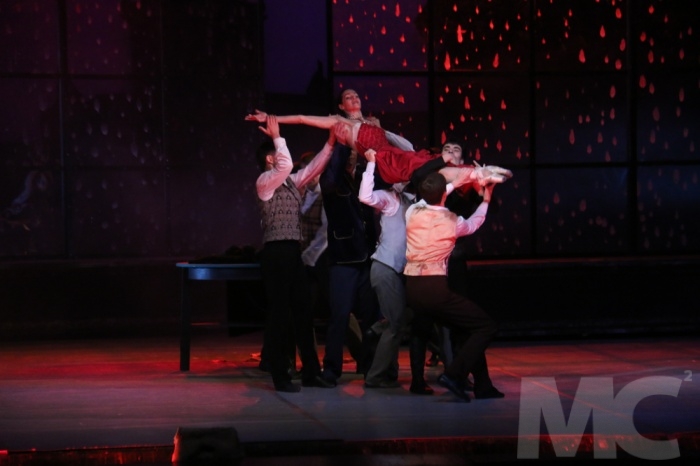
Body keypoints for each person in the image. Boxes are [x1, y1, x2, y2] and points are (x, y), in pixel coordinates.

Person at [245, 97, 512, 186]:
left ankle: (477, 173)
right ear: (340, 108)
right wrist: (271, 117)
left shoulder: (368, 122)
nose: (354, 99)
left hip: (393, 153)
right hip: (386, 160)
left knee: (432, 164)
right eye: (348, 97)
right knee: (424, 166)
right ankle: (477, 174)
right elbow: (303, 118)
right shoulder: (338, 123)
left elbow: (397, 141)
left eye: (356, 96)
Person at [404, 172, 504, 402]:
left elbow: (438, 193)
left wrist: (458, 182)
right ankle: (454, 375)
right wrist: (486, 199)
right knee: (486, 326)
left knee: (466, 329)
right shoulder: (452, 221)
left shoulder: (412, 212)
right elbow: (474, 223)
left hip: (412, 288)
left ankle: (483, 386)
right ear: (444, 195)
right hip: (435, 289)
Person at [254, 115, 336, 392]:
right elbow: (287, 165)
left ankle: (311, 372)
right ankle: (280, 375)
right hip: (276, 252)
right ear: (270, 159)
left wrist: (331, 142)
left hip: (293, 252)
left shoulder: (290, 182)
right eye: (277, 154)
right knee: (280, 315)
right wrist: (277, 137)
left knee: (303, 312)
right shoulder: (265, 182)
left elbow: (313, 168)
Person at [318, 141, 381, 387]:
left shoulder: (364, 176)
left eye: (355, 152)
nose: (352, 156)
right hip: (343, 258)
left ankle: (369, 367)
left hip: (367, 257)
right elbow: (333, 170)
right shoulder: (332, 180)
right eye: (348, 152)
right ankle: (331, 369)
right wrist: (343, 142)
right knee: (340, 315)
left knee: (371, 316)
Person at [357, 149, 415, 389]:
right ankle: (376, 376)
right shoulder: (391, 199)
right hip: (385, 268)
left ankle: (376, 329)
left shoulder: (414, 201)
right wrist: (371, 164)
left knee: (405, 318)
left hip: (399, 272)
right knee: (395, 324)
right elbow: (365, 196)